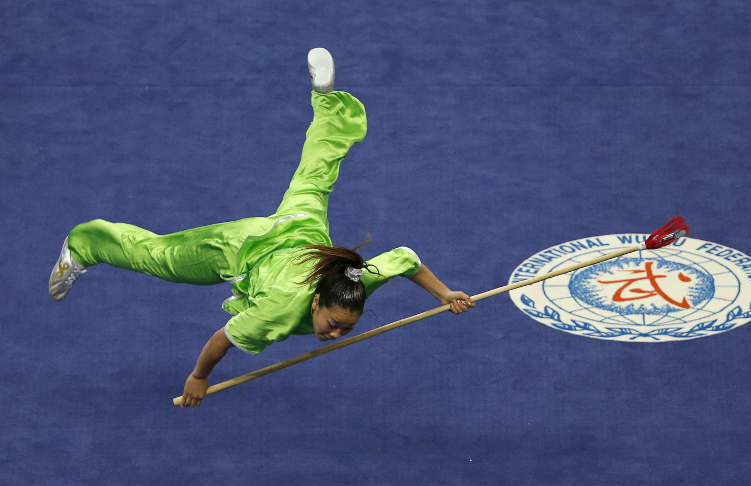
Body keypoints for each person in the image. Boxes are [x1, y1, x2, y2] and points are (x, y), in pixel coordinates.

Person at [48, 48, 475, 408]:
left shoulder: (354, 283)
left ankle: (326, 98)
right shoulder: (276, 313)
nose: (336, 333)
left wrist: (444, 294)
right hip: (239, 247)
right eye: (332, 325)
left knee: (317, 170)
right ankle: (84, 243)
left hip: (301, 230)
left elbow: (406, 259)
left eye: (346, 328)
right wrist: (198, 378)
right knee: (159, 256)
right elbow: (221, 341)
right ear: (314, 306)